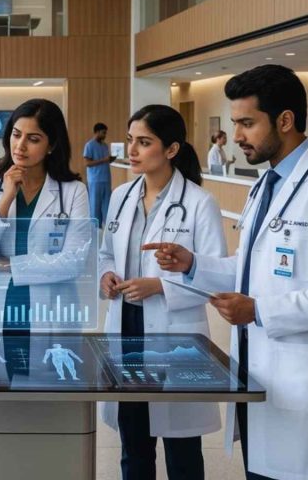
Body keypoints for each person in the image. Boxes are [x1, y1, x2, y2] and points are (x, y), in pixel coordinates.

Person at [147, 65, 308, 480]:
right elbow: (249, 269)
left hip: (306, 384)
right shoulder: (264, 185)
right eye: (235, 124)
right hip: (258, 378)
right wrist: (194, 263)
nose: (236, 136)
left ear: (285, 121)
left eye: (247, 124)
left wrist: (261, 311)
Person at [97, 105, 225, 480]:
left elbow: (215, 274)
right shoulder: (121, 195)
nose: (132, 150)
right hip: (126, 329)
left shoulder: (200, 203)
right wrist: (106, 274)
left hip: (174, 333)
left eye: (144, 142)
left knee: (182, 450)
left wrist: (160, 286)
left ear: (171, 149)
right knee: (133, 445)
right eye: (131, 140)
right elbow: (106, 251)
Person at [0, 100, 90, 370]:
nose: (20, 146)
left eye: (33, 139)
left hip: (51, 314)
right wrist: (6, 199)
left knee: (45, 402)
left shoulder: (73, 192)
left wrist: (9, 265)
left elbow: (74, 262)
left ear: (51, 145)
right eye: (16, 135)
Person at [84, 122, 115, 226]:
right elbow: (87, 163)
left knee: (107, 204)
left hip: (106, 179)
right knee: (95, 204)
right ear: (96, 132)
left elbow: (105, 160)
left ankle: (107, 226)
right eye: (103, 133)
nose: (105, 135)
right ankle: (95, 227)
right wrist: (104, 160)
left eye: (105, 133)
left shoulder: (105, 146)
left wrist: (110, 160)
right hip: (95, 180)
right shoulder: (89, 145)